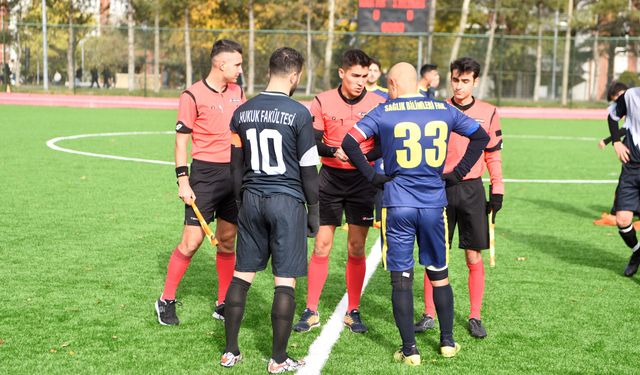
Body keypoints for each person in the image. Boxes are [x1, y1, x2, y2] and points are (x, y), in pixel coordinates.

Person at [341, 62, 490, 365]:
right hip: (434, 204)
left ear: (393, 84)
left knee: (402, 279)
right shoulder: (442, 109)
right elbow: (481, 137)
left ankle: (410, 350)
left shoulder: (384, 110)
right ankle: (447, 342)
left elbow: (349, 143)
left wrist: (372, 178)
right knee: (439, 275)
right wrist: (458, 173)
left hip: (397, 203)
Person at [220, 47, 319, 373]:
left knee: (241, 275)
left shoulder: (243, 111)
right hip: (286, 202)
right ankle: (278, 358)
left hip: (250, 198)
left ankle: (230, 351)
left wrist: (239, 202)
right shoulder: (300, 113)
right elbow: (308, 169)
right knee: (284, 281)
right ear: (295, 75)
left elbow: (235, 166)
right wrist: (314, 211)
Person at [292, 49, 385, 334]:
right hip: (329, 180)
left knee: (356, 247)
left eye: (365, 76)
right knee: (321, 246)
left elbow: (384, 145)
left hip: (362, 181)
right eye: (355, 75)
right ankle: (311, 310)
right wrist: (334, 150)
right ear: (341, 73)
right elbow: (310, 141)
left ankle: (353, 310)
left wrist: (359, 157)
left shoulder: (378, 103)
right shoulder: (322, 101)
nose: (361, 81)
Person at [155, 39, 245, 326]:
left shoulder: (237, 91)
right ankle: (166, 299)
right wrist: (183, 180)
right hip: (204, 176)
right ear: (221, 64)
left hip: (233, 174)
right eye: (238, 64)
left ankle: (222, 302)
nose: (240, 70)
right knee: (191, 242)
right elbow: (181, 142)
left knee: (228, 241)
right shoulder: (191, 95)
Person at [415, 57, 504, 339]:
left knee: (473, 255)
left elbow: (492, 155)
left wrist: (497, 190)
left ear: (475, 81)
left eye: (465, 81)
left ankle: (475, 316)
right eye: (455, 80)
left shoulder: (489, 112)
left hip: (472, 190)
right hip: (439, 188)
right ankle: (429, 313)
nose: (459, 86)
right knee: (435, 253)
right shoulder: (438, 109)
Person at [606, 81, 640, 277]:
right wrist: (616, 143)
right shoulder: (630, 96)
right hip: (631, 168)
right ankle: (637, 252)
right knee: (622, 219)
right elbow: (612, 117)